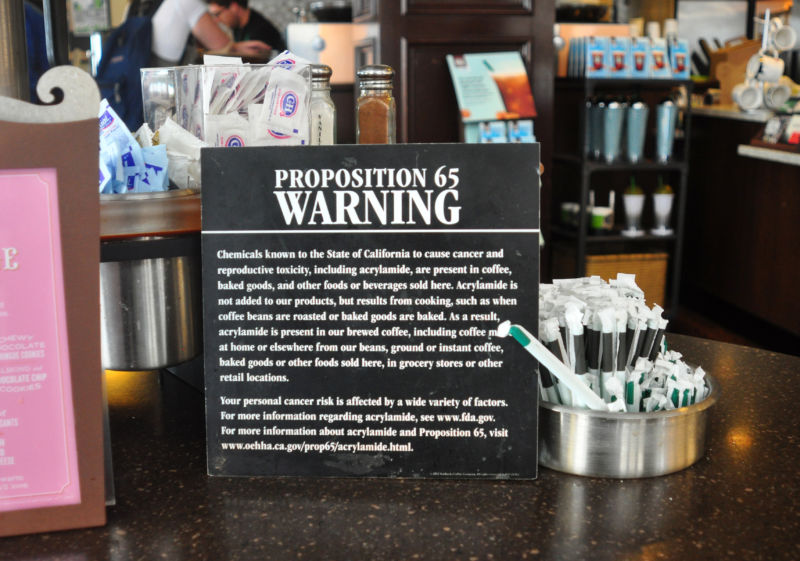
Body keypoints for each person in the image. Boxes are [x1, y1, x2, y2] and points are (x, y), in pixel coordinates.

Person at [150, 0, 270, 65]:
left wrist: (236, 47)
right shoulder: (190, 3)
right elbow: (222, 46)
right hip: (161, 72)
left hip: (153, 67)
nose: (217, 20)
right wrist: (237, 47)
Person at [207, 0, 286, 52]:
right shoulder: (237, 26)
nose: (216, 20)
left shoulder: (260, 31)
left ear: (234, 6)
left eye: (217, 14)